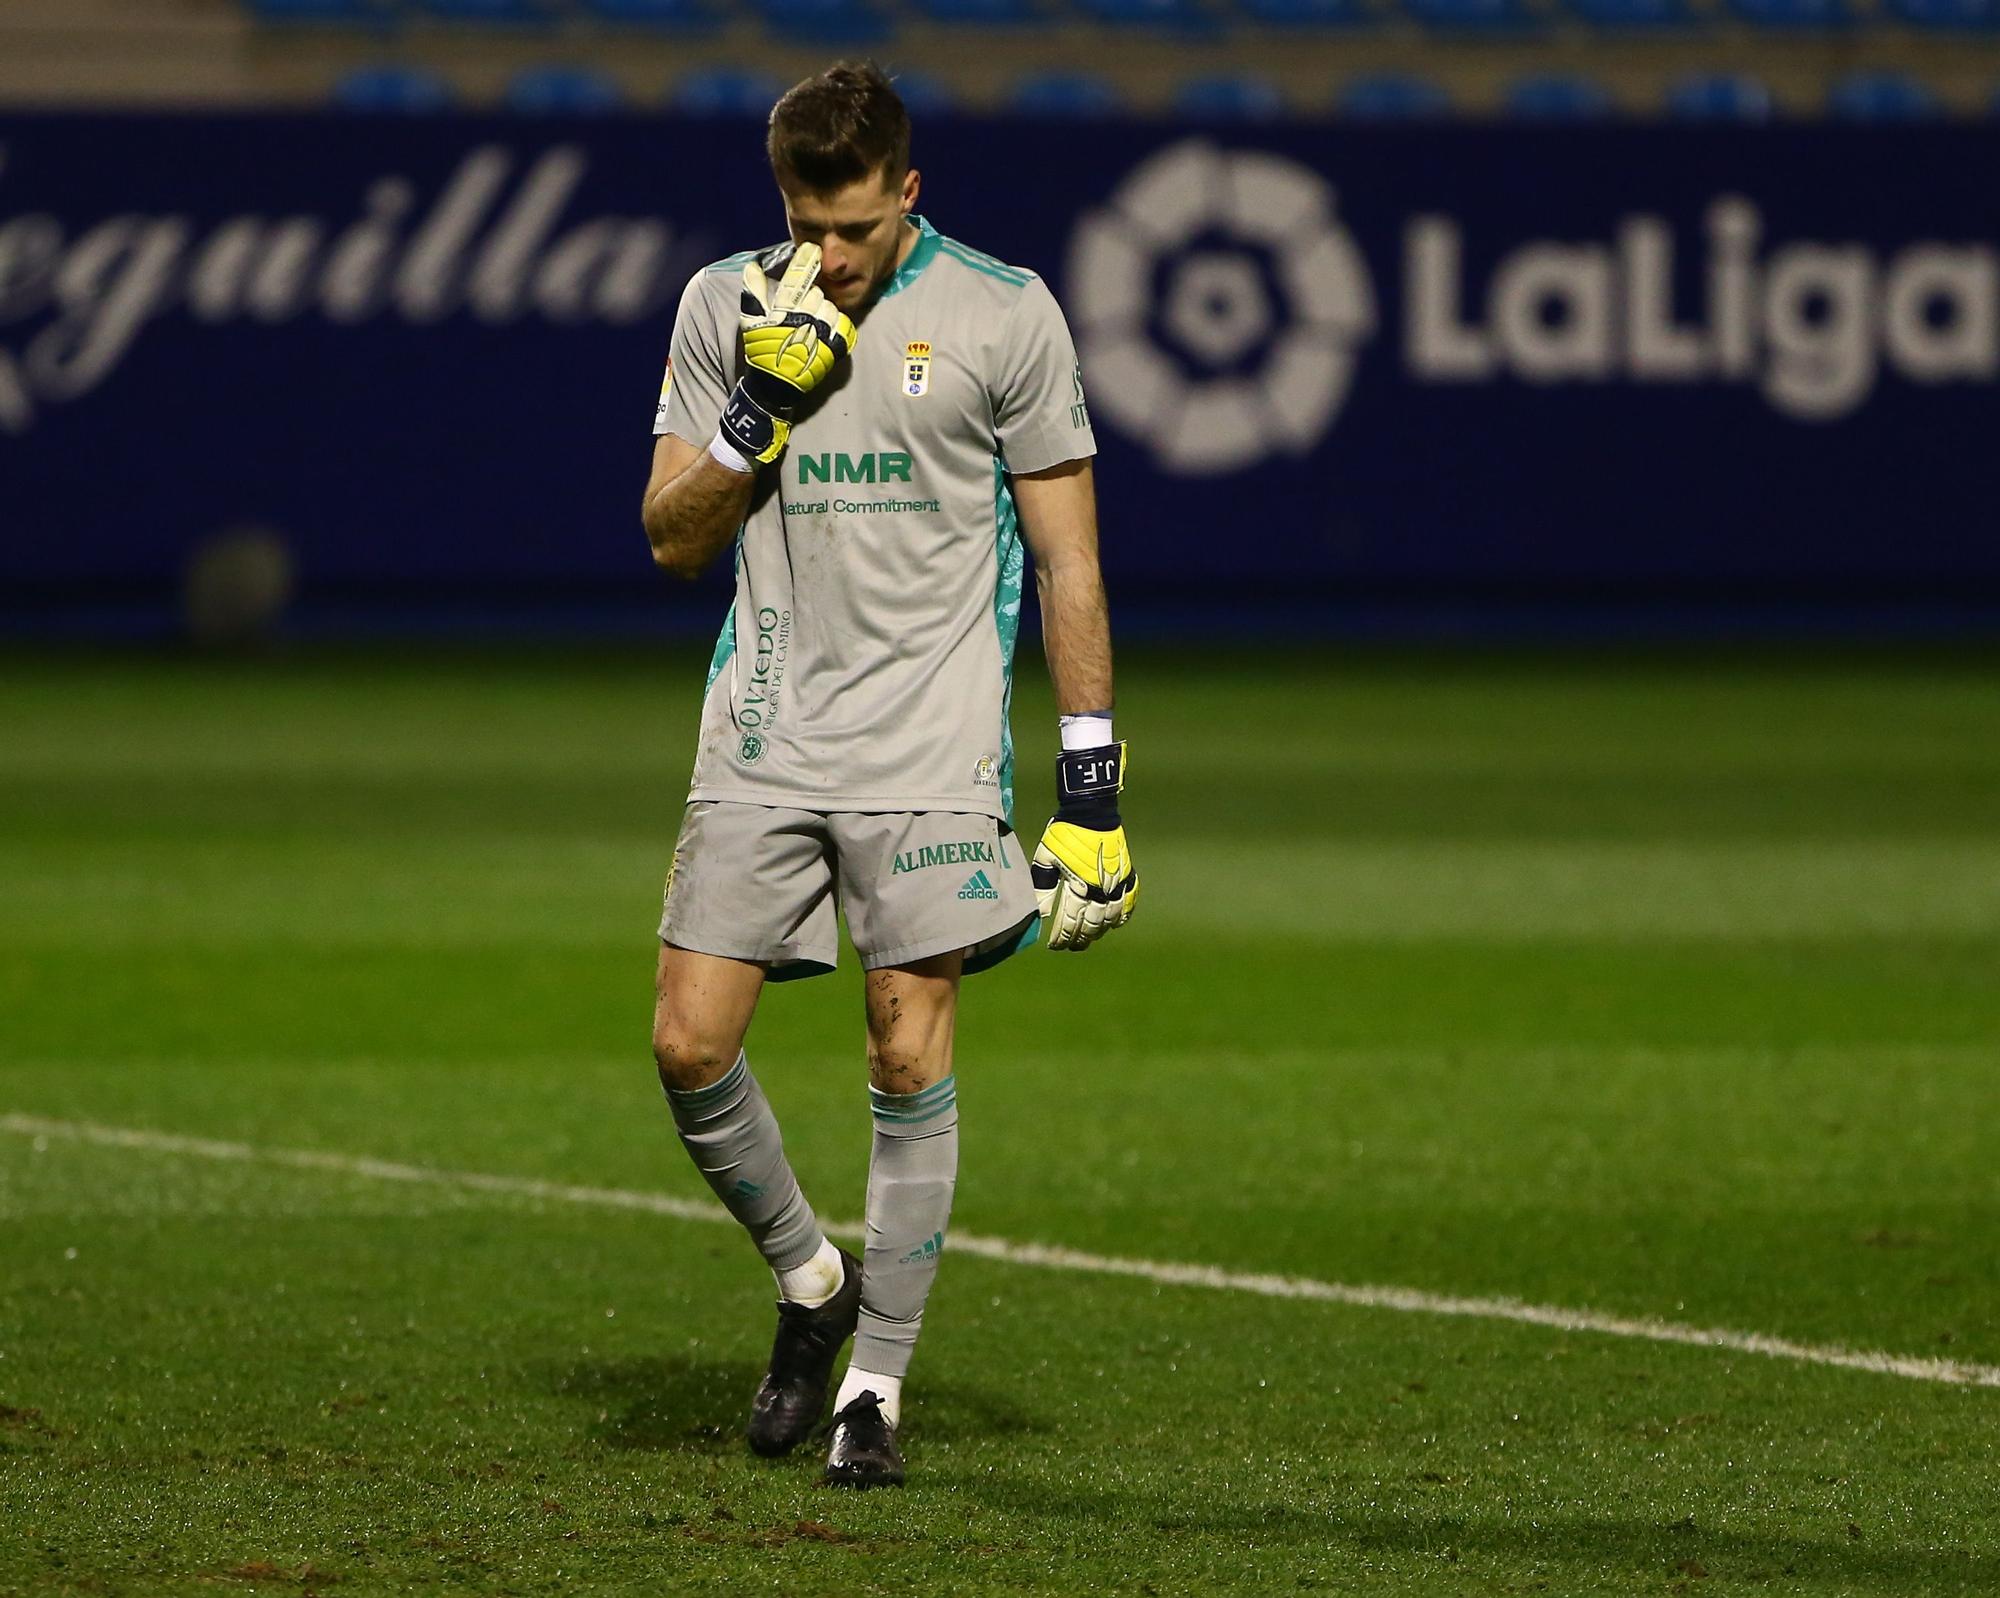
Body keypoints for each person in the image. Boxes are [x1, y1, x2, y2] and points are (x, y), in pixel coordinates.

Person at [639, 60, 1136, 1489]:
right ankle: (811, 1284)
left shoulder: (1002, 311)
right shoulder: (726, 304)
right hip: (764, 728)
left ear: (906, 194)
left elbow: (1069, 561)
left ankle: (876, 1386)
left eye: (856, 228)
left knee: (905, 1048)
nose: (833, 257)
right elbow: (674, 538)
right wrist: (753, 416)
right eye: (810, 225)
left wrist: (1090, 789)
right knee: (687, 1044)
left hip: (929, 742)